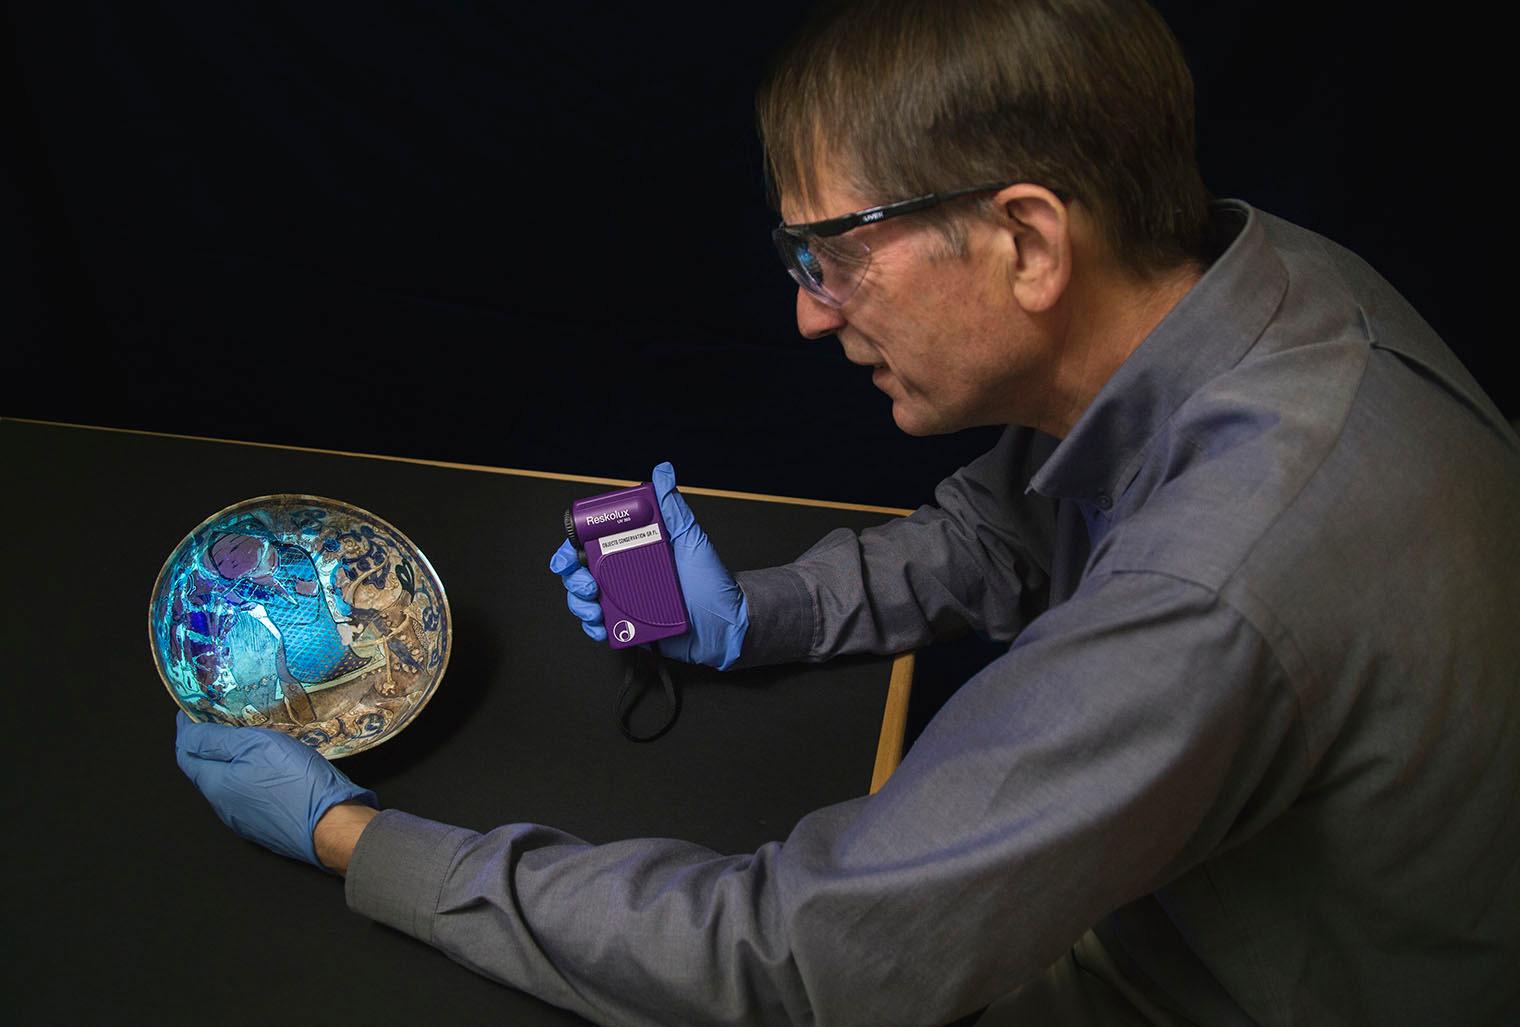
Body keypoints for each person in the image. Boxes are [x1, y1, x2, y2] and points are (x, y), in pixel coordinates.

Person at [173, 1, 1520, 1023]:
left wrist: (356, 837)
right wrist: (755, 617)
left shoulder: (1211, 589)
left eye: (831, 255)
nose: (809, 312)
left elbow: (802, 958)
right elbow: (1012, 537)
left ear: (1029, 240)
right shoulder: (1259, 280)